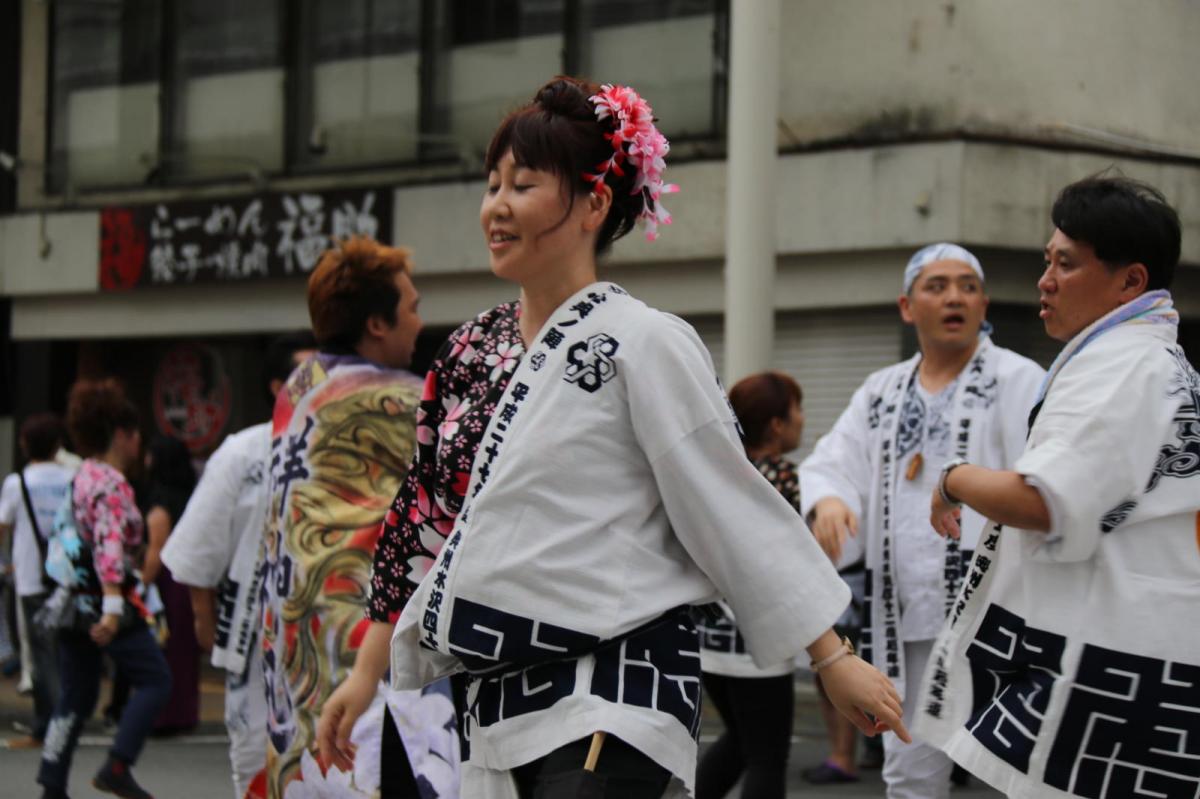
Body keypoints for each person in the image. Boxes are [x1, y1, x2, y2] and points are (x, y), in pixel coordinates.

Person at [319, 76, 908, 799]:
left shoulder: (644, 341)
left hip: (617, 675)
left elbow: (724, 498)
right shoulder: (469, 351)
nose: (496, 206)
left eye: (523, 184)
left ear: (595, 203)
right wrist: (364, 672)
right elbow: (422, 520)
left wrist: (829, 654)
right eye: (492, 183)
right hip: (498, 690)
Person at [918, 175, 1200, 798]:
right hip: (1139, 654)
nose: (1044, 281)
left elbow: (1043, 498)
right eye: (1047, 261)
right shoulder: (1152, 360)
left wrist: (954, 478)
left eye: (1066, 264)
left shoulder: (1124, 363)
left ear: (1131, 281)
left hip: (1106, 654)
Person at [799, 242, 1044, 799]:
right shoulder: (881, 392)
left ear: (984, 304)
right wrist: (832, 501)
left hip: (1002, 615)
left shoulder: (1020, 380)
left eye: (967, 286)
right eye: (937, 286)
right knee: (909, 772)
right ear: (907, 307)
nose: (954, 297)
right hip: (906, 619)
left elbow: (1044, 480)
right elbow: (832, 461)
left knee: (1021, 772)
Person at [258, 236, 456, 798]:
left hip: (300, 640)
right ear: (377, 323)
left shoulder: (299, 390)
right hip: (367, 649)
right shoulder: (400, 403)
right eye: (412, 308)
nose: (420, 323)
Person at [160, 332, 315, 799]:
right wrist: (206, 623)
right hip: (254, 636)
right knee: (255, 766)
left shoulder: (349, 447)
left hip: (329, 632)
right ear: (275, 386)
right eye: (303, 372)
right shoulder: (242, 452)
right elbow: (197, 550)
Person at [37, 379, 172, 799]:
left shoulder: (83, 475)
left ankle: (51, 781)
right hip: (105, 599)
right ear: (120, 434)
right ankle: (117, 765)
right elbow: (111, 546)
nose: (138, 444)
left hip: (73, 599)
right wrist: (114, 609)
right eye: (135, 435)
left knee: (77, 695)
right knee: (155, 679)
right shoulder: (112, 483)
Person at [694, 370, 806, 799]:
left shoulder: (721, 473)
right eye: (797, 410)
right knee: (766, 756)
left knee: (741, 742)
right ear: (776, 424)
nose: (801, 419)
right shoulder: (783, 477)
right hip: (759, 637)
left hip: (712, 637)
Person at [0, 413, 74, 749]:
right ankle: (61, 718)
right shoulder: (71, 478)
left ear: (25, 444)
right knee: (63, 650)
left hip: (31, 577)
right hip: (69, 578)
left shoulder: (18, 483)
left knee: (41, 655)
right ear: (58, 444)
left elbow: (3, 525)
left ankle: (50, 726)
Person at [138, 435, 200, 734]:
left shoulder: (159, 499)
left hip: (167, 586)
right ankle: (185, 713)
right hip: (190, 579)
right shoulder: (192, 495)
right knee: (184, 651)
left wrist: (140, 583)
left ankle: (163, 715)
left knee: (164, 649)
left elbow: (156, 552)